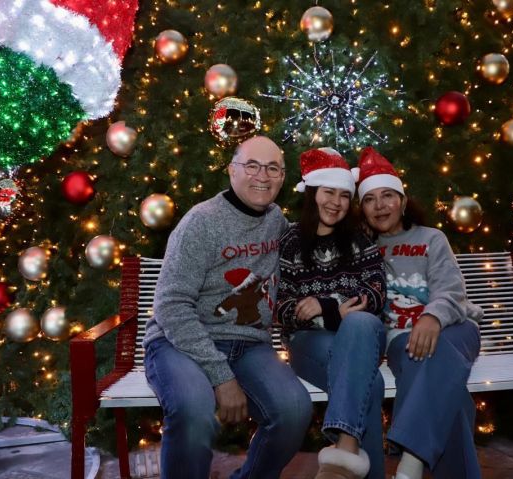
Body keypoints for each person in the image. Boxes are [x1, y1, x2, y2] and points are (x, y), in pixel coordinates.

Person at [142, 136, 312, 479]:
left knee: (294, 409)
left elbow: (305, 261)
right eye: (252, 165)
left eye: (273, 168)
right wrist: (221, 377)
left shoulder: (276, 221)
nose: (262, 176)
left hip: (249, 345)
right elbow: (171, 305)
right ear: (232, 170)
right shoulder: (200, 222)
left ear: (282, 178)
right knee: (193, 409)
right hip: (180, 343)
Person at [357, 147, 483, 479]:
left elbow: (452, 291)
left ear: (402, 201)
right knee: (450, 391)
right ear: (362, 209)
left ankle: (411, 460)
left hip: (457, 328)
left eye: (387, 196)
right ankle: (413, 466)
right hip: (402, 339)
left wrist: (432, 317)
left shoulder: (431, 238)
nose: (380, 205)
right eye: (369, 199)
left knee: (435, 351)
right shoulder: (362, 250)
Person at [276, 147, 387, 479]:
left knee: (361, 321)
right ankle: (350, 458)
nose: (336, 202)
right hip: (308, 343)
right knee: (372, 383)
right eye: (329, 192)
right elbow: (282, 307)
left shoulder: (359, 239)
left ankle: (343, 456)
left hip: (361, 335)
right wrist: (336, 311)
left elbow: (375, 294)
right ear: (313, 193)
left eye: (344, 195)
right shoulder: (291, 241)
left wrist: (325, 307)